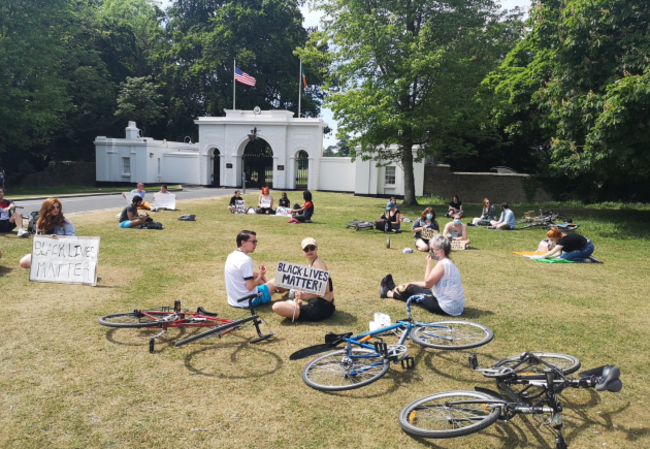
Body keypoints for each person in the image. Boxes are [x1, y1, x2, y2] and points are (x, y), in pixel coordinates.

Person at [379, 235, 465, 316]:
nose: (430, 252)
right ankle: (394, 290)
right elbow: (428, 284)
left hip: (446, 306)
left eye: (432, 249)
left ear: (441, 251)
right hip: (454, 305)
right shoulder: (448, 262)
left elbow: (428, 284)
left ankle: (389, 293)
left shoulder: (442, 264)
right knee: (417, 289)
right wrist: (410, 283)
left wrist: (428, 264)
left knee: (413, 289)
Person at [271, 238, 335, 322]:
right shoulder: (313, 264)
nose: (309, 251)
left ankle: (295, 306)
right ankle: (295, 305)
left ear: (316, 249)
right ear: (302, 250)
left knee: (277, 307)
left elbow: (326, 290)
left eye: (312, 248)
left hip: (321, 308)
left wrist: (304, 296)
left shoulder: (318, 264)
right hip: (323, 305)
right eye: (306, 249)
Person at [224, 230, 276, 308]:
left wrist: (258, 275)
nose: (256, 244)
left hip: (234, 301)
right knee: (278, 280)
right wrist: (261, 275)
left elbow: (242, 272)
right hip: (250, 301)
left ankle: (279, 289)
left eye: (256, 241)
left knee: (262, 281)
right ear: (243, 243)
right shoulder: (246, 260)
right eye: (253, 242)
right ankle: (288, 289)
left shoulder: (231, 256)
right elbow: (250, 287)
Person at [20, 198, 76, 269]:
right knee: (24, 262)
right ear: (47, 209)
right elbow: (38, 241)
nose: (56, 209)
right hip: (45, 251)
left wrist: (59, 239)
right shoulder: (40, 222)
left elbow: (73, 240)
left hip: (61, 252)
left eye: (58, 207)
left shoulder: (66, 222)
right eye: (53, 207)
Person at [533, 228, 599, 263]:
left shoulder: (563, 240)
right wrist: (550, 257)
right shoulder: (560, 238)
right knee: (563, 256)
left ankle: (589, 260)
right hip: (582, 246)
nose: (551, 241)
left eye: (552, 239)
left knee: (568, 258)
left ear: (557, 237)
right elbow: (559, 253)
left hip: (587, 247)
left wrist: (541, 257)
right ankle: (585, 255)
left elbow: (552, 252)